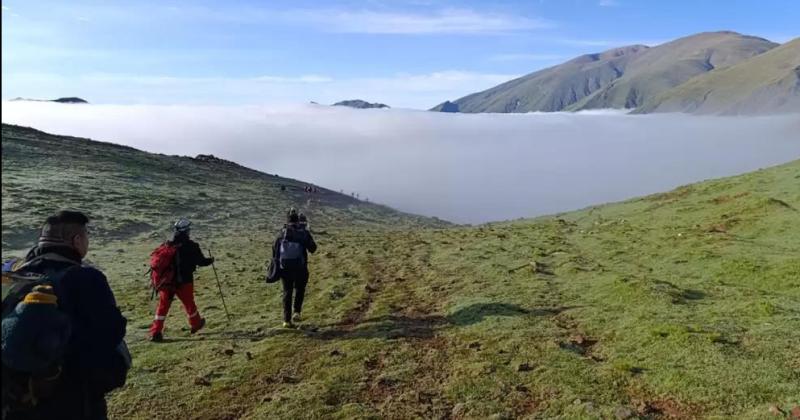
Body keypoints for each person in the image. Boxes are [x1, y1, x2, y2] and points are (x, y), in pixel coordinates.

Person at [1, 210, 129, 420]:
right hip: (70, 398)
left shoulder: (12, 276)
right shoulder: (86, 278)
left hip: (13, 398)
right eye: (86, 235)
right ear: (76, 240)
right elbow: (111, 332)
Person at [148, 218, 214, 342]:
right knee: (189, 304)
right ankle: (196, 324)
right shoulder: (191, 246)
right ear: (187, 231)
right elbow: (201, 262)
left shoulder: (167, 244)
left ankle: (155, 332)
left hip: (167, 283)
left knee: (162, 307)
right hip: (185, 282)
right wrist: (211, 260)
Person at [272, 209, 316, 328]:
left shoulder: (282, 233)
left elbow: (275, 250)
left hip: (285, 267)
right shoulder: (303, 233)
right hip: (300, 267)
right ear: (298, 221)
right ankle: (297, 312)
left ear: (287, 220)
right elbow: (313, 248)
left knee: (287, 291)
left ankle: (286, 320)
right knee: (300, 289)